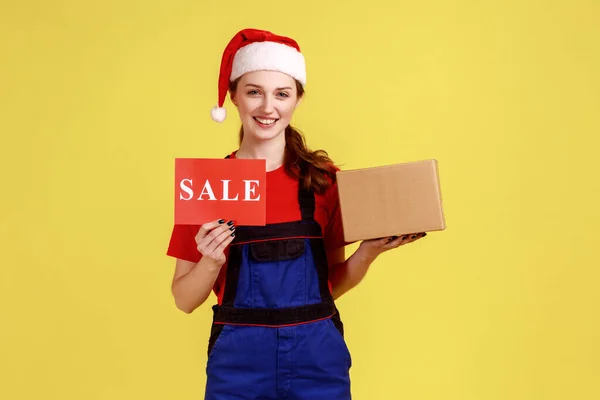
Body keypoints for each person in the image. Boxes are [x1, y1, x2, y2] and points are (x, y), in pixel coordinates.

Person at [166, 28, 426, 400]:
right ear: (234, 97)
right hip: (238, 369)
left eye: (282, 94)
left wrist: (369, 252)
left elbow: (329, 286)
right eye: (254, 91)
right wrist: (210, 261)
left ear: (297, 100)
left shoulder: (322, 181)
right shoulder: (209, 186)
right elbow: (183, 299)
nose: (267, 107)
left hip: (317, 363)